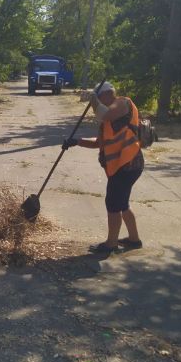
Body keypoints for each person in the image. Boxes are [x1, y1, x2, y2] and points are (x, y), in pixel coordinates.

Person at [63, 81, 144, 254]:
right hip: (120, 166)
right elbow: (99, 143)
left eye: (99, 97)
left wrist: (93, 100)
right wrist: (76, 142)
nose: (97, 102)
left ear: (108, 94)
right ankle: (134, 240)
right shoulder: (107, 120)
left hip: (128, 163)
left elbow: (104, 114)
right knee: (122, 204)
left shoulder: (123, 103)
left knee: (113, 203)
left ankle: (111, 244)